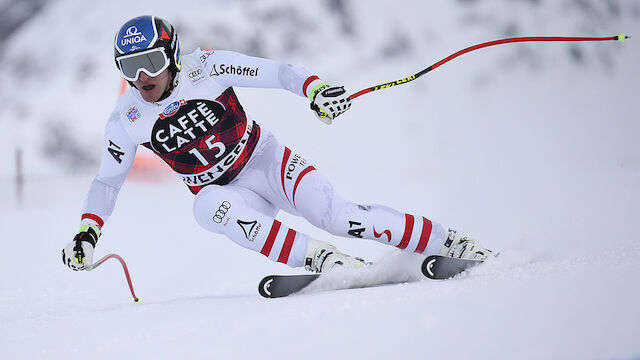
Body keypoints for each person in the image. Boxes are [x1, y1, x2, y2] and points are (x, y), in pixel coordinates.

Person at [62, 15, 492, 274]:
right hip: (227, 193)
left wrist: (316, 89)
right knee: (206, 208)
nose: (142, 77)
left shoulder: (207, 68)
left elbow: (278, 73)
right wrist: (87, 230)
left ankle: (450, 242)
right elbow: (106, 183)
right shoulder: (127, 119)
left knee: (340, 216)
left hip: (265, 162)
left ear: (172, 56)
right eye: (130, 67)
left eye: (151, 62)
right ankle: (322, 260)